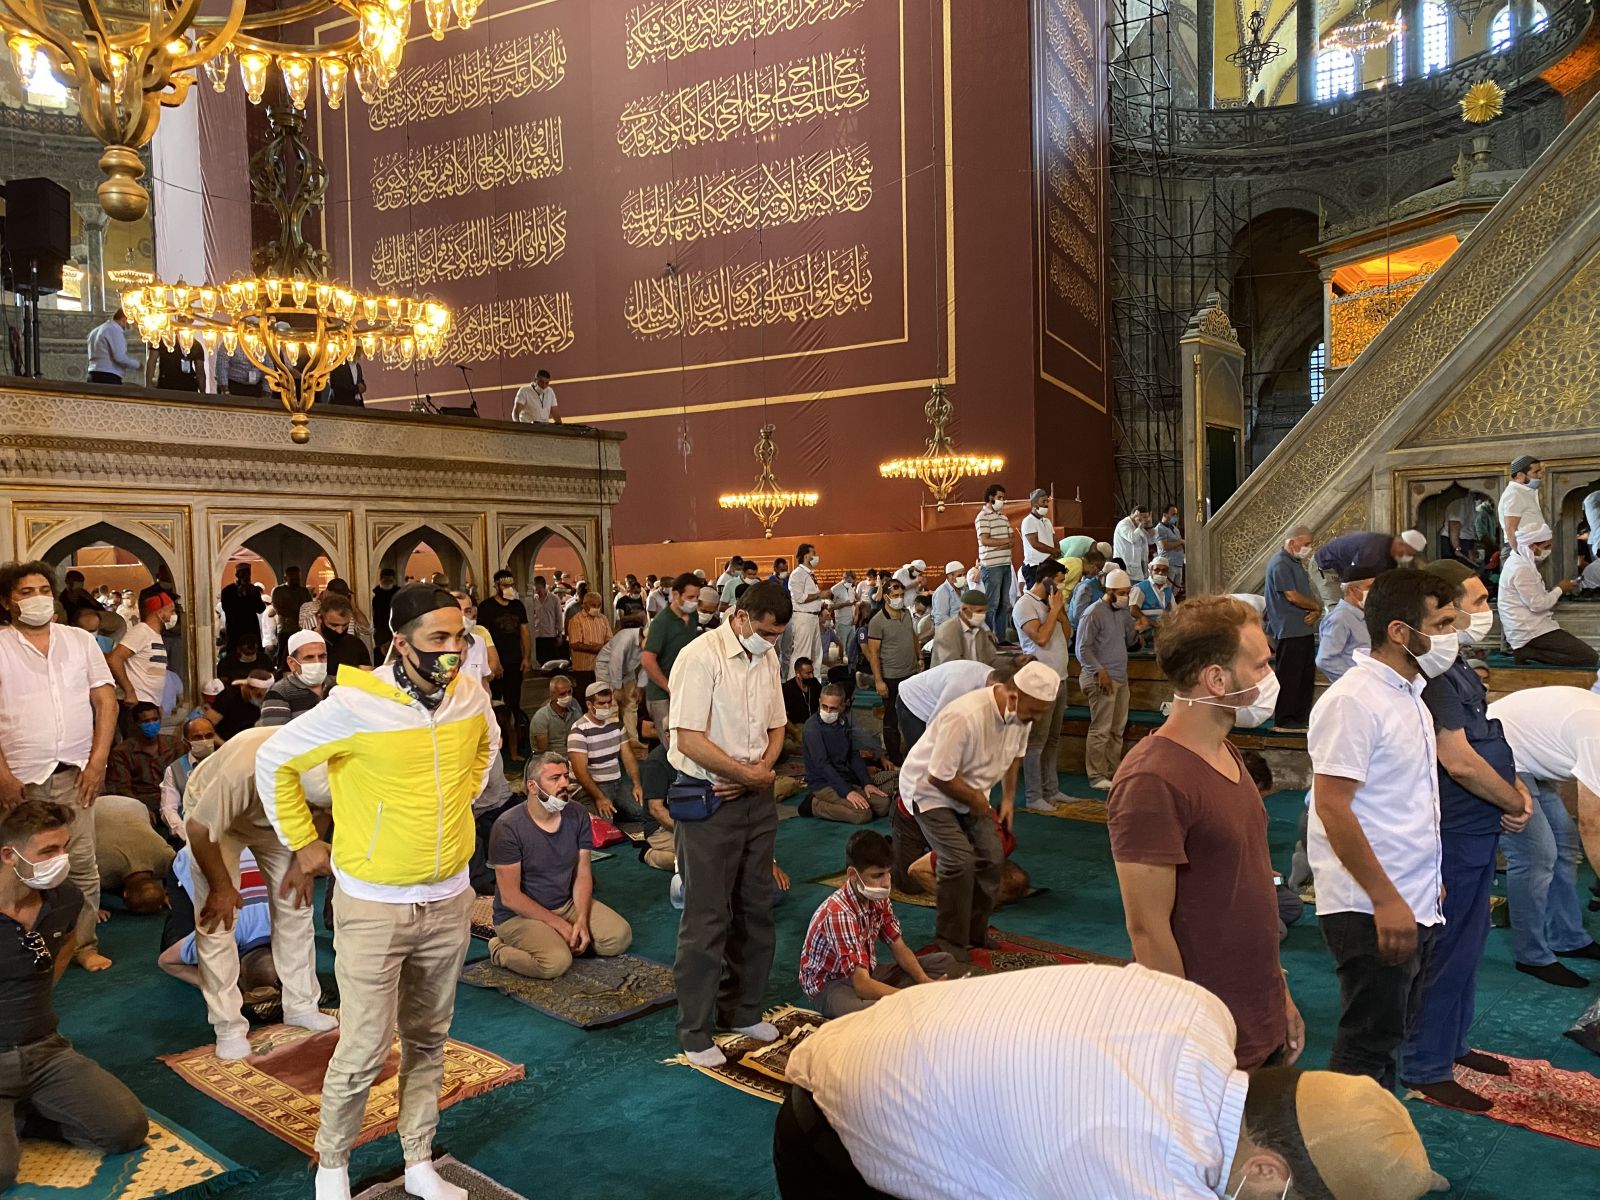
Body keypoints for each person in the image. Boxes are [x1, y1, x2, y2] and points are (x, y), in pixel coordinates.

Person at [777, 962, 1446, 1200]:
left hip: (893, 1048)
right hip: (835, 1127)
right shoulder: (1135, 1163)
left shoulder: (1200, 1010)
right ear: (1267, 1173)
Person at [255, 582, 498, 1200]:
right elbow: (274, 761)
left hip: (448, 898)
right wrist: (304, 841)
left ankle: (419, 1162)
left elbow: (486, 751)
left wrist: (455, 807)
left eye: (459, 638)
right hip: (372, 904)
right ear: (399, 642)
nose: (452, 651)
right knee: (364, 1047)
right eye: (437, 639)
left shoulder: (469, 695)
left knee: (428, 1037)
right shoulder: (356, 705)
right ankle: (331, 1170)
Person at [1109, 596, 1303, 1072]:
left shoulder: (1226, 752)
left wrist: (1279, 992)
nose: (1268, 678)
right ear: (1217, 679)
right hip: (1208, 1037)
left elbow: (1247, 891)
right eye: (1259, 666)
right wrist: (1191, 1039)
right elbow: (1148, 929)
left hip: (1257, 1011)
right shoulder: (1152, 779)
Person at [1308, 568, 1457, 1089]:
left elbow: (1405, 803)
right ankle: (1347, 1165)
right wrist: (1387, 899)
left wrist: (1424, 880)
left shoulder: (1407, 693)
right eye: (1440, 623)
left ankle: (1378, 1158)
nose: (1451, 633)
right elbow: (1333, 809)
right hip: (1369, 903)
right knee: (1365, 1047)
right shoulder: (1353, 701)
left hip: (1407, 892)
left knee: (1388, 1036)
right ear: (1400, 631)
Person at [1397, 561, 1533, 1111]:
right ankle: (1425, 1064)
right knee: (1445, 951)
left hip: (1480, 831)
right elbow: (1461, 762)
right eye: (1473, 604)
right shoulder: (1431, 677)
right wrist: (1513, 801)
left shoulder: (1458, 670)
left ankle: (1452, 1045)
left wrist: (1514, 793)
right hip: (1454, 832)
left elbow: (1492, 740)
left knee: (1469, 947)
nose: (1483, 614)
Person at [665, 580, 791, 1068]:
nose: (770, 642)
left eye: (778, 635)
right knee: (707, 915)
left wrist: (760, 774)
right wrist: (742, 774)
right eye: (764, 632)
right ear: (740, 615)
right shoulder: (701, 657)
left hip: (754, 796)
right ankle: (695, 1031)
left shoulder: (769, 657)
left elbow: (777, 726)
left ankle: (742, 1009)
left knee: (756, 907)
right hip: (709, 798)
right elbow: (688, 738)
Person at [0, 800, 149, 1190]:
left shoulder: (64, 898)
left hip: (46, 1051)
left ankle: (22, 1114)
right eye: (48, 851)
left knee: (126, 1130)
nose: (61, 859)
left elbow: (65, 945)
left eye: (64, 847)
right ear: (7, 854)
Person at [181, 726, 335, 1056]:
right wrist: (221, 888)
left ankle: (301, 1006)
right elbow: (199, 829)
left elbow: (321, 812)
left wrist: (301, 862)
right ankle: (228, 1027)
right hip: (214, 823)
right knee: (218, 920)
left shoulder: (333, 761)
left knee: (297, 902)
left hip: (280, 826)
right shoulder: (244, 768)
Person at [0, 561, 119, 971]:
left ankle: (83, 945)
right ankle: (18, 951)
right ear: (6, 602)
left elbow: (105, 701)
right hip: (17, 778)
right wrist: (3, 776)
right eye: (24, 592)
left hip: (76, 773)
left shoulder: (79, 642)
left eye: (41, 590)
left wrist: (98, 761)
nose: (36, 599)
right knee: (16, 864)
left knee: (80, 862)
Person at [901, 660, 1055, 960]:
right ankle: (950, 941)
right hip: (929, 790)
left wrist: (1009, 800)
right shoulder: (965, 714)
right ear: (1013, 696)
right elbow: (938, 776)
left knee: (993, 856)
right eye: (1034, 711)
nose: (1035, 719)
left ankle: (974, 930)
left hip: (971, 792)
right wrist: (975, 801)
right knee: (958, 860)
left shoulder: (1021, 715)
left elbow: (1014, 758)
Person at [1487, 685, 1600, 987]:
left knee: (1564, 843)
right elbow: (1593, 823)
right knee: (1536, 854)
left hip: (1528, 753)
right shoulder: (1596, 736)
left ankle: (1568, 938)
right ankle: (1532, 956)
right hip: (1494, 751)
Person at [488, 752, 632, 979]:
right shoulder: (508, 826)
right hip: (519, 915)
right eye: (555, 779)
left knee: (618, 938)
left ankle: (567, 939)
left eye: (565, 776)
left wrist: (582, 920)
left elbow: (583, 873)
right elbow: (510, 897)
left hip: (565, 904)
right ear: (532, 787)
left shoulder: (577, 813)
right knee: (555, 963)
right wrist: (561, 926)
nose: (564, 783)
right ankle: (500, 950)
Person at [798, 830, 952, 1018]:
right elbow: (862, 985)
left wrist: (924, 981)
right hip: (832, 984)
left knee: (944, 962)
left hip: (865, 971)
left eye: (888, 873)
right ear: (852, 874)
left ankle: (895, 998)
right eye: (878, 875)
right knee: (882, 1014)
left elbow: (899, 946)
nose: (886, 883)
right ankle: (889, 1004)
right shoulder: (839, 914)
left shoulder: (877, 896)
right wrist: (907, 997)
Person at [1012, 560, 1071, 811]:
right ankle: (1034, 795)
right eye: (1058, 580)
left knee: (1053, 738)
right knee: (1037, 741)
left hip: (1061, 677)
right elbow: (1042, 638)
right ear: (1046, 580)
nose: (1061, 586)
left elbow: (1067, 634)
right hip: (1038, 682)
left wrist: (1060, 609)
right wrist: (1054, 610)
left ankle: (1052, 789)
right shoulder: (1024, 606)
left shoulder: (1052, 604)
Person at [1498, 523, 1595, 667]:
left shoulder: (1521, 562)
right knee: (1589, 657)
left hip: (1534, 627)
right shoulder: (1521, 568)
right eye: (1546, 547)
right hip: (1529, 631)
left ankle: (1528, 651)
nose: (1548, 551)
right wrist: (1560, 589)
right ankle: (1527, 652)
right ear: (1532, 546)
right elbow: (1538, 605)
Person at [1075, 568, 1138, 790]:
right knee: (1101, 729)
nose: (1125, 596)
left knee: (1117, 728)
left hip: (1120, 677)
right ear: (1109, 591)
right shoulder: (1093, 613)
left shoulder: (1122, 613)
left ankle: (1113, 771)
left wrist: (1137, 629)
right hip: (1100, 678)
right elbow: (1082, 648)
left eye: (1127, 592)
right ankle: (1097, 774)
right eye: (1121, 592)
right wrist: (1099, 670)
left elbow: (1129, 641)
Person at [802, 684, 895, 825]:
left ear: (842, 707)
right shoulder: (812, 728)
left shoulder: (844, 722)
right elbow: (823, 765)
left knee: (883, 805)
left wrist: (866, 783)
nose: (827, 711)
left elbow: (853, 754)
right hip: (823, 783)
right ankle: (815, 805)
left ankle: (846, 795)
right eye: (824, 707)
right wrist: (847, 792)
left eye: (833, 708)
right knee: (863, 814)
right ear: (819, 702)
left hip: (844, 778)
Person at [894, 658, 1014, 757]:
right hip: (912, 702)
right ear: (992, 684)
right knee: (921, 758)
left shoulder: (996, 678)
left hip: (936, 700)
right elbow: (935, 724)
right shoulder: (961, 685)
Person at [1263, 526, 1320, 731]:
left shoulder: (1295, 563)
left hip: (1302, 628)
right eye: (1305, 544)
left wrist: (1316, 611)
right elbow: (1292, 596)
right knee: (1290, 677)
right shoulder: (1280, 563)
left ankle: (1300, 718)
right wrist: (1316, 607)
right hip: (1288, 629)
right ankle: (1285, 720)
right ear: (1292, 542)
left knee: (1305, 677)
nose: (1308, 548)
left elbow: (1304, 593)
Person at [568, 682, 647, 826]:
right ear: (590, 705)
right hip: (595, 785)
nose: (606, 707)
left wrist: (637, 784)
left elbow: (628, 758)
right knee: (604, 825)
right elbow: (580, 772)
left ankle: (617, 807)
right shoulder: (579, 731)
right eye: (601, 703)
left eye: (609, 702)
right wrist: (599, 797)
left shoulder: (616, 724)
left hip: (616, 781)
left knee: (642, 811)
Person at [864, 579, 921, 760]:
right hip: (891, 677)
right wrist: (879, 680)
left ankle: (915, 752)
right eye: (895, 596)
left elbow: (913, 636)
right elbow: (873, 653)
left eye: (902, 595)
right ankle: (895, 756)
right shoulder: (877, 621)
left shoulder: (906, 614)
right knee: (892, 718)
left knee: (914, 714)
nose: (899, 599)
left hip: (910, 674)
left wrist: (919, 657)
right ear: (886, 597)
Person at [478, 570, 532, 758]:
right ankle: (496, 746)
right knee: (496, 706)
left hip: (514, 663)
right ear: (497, 585)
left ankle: (515, 748)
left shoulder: (518, 606)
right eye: (504, 585)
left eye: (511, 585)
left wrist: (526, 658)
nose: (508, 588)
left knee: (514, 703)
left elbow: (524, 633)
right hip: (495, 665)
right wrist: (494, 663)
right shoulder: (486, 607)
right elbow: (484, 637)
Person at [92, 793, 173, 912]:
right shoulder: (100, 868)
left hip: (134, 805)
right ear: (124, 894)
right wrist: (91, 908)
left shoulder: (167, 856)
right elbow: (78, 878)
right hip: (96, 808)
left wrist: (162, 896)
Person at [104, 702, 183, 823]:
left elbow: (186, 776)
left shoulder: (175, 745)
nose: (151, 724)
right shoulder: (122, 752)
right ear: (136, 724)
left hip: (173, 799)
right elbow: (121, 788)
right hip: (141, 801)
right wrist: (140, 809)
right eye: (146, 721)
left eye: (155, 719)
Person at [1311, 531, 1426, 605]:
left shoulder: (1390, 559)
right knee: (1338, 607)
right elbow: (1351, 576)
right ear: (1401, 544)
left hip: (1346, 572)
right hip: (1326, 566)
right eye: (1409, 553)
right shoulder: (1374, 548)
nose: (1409, 557)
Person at [107, 593, 175, 712]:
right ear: (159, 612)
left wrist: (157, 703)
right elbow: (114, 658)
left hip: (149, 703)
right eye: (171, 611)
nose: (173, 616)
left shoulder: (154, 635)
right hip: (136, 703)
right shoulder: (141, 631)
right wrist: (129, 691)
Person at [157, 716, 220, 838]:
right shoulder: (175, 770)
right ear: (186, 742)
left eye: (208, 736)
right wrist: (187, 836)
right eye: (197, 737)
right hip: (190, 833)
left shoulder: (227, 762)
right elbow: (168, 809)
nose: (204, 740)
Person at [1316, 568, 1375, 683]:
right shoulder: (1340, 618)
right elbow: (1325, 660)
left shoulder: (1362, 614)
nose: (1374, 592)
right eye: (1369, 587)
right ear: (1352, 590)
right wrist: (1354, 679)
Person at [259, 630, 328, 728]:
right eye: (309, 657)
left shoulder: (337, 685)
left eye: (322, 656)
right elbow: (275, 737)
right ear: (292, 663)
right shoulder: (279, 693)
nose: (317, 662)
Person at [974, 484, 1014, 637]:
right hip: (991, 566)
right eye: (999, 498)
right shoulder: (982, 517)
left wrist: (1000, 542)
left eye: (1003, 498)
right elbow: (985, 540)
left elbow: (1013, 540)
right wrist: (1005, 542)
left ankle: (1001, 639)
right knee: (992, 605)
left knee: (1004, 604)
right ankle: (988, 638)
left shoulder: (1004, 517)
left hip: (1005, 564)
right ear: (991, 498)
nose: (1002, 501)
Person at [929, 589, 998, 668]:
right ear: (964, 610)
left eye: (984, 611)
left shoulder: (980, 631)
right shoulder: (947, 630)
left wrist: (1012, 661)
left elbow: (991, 659)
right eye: (979, 611)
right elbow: (952, 667)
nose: (983, 615)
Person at [565, 587, 611, 697]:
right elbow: (575, 644)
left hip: (601, 667)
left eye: (599, 606)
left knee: (600, 696)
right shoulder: (576, 620)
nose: (596, 608)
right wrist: (595, 648)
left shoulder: (603, 619)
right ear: (584, 605)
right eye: (593, 605)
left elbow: (609, 639)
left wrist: (606, 647)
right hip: (583, 668)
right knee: (585, 696)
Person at [788, 543, 825, 677]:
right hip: (803, 617)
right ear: (806, 556)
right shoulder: (797, 574)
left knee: (815, 653)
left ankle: (813, 683)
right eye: (813, 553)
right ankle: (794, 685)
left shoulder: (809, 574)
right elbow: (799, 597)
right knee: (802, 653)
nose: (816, 556)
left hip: (813, 617)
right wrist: (820, 595)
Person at [316, 592, 374, 675]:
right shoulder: (304, 644)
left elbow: (367, 676)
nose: (340, 631)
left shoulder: (356, 645)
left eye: (345, 625)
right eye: (334, 625)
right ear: (320, 619)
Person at [1499, 454, 1545, 549]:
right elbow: (1510, 529)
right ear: (1520, 476)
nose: (1540, 476)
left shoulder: (1523, 492)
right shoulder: (1514, 493)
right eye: (1535, 472)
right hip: (1520, 548)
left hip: (1529, 548)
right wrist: (1519, 553)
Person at [271, 567, 313, 668]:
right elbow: (279, 608)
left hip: (302, 629)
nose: (296, 581)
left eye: (297, 579)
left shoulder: (304, 591)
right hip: (286, 629)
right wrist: (296, 614)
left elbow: (310, 606)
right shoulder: (279, 591)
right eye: (293, 579)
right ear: (285, 578)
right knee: (283, 654)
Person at [85, 308, 140, 384]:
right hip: (107, 377)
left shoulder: (95, 331)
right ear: (124, 319)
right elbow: (119, 358)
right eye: (132, 323)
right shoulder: (114, 330)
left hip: (93, 375)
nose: (132, 327)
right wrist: (137, 365)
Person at [219, 563, 265, 654]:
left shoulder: (253, 590)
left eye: (248, 574)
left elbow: (260, 609)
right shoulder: (228, 591)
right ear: (237, 575)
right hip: (235, 630)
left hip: (251, 630)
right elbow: (227, 609)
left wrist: (253, 596)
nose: (246, 576)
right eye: (243, 574)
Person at [529, 674, 579, 756]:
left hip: (572, 758)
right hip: (549, 761)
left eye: (569, 692)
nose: (567, 696)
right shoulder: (541, 717)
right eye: (562, 694)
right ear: (552, 695)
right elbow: (543, 753)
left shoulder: (576, 713)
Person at [528, 575, 563, 664]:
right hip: (537, 636)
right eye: (535, 589)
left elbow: (559, 617)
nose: (537, 591)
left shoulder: (554, 599)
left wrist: (559, 634)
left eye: (538, 588)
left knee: (552, 662)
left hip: (550, 635)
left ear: (544, 586)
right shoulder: (533, 600)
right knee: (540, 662)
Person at [1112, 504, 1153, 581]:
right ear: (1134, 515)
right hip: (1125, 567)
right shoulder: (1123, 524)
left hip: (1139, 568)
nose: (1145, 520)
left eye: (1146, 517)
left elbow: (1151, 540)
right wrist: (1140, 525)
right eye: (1143, 517)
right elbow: (1132, 538)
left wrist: (1150, 524)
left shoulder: (1138, 527)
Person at [783, 656, 822, 735]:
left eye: (812, 672)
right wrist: (795, 732)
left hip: (815, 723)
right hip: (797, 727)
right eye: (808, 673)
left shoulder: (814, 683)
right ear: (798, 674)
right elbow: (783, 716)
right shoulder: (787, 688)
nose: (811, 676)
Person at [1153, 503, 1186, 590]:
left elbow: (1179, 545)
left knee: (1176, 590)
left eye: (1176, 514)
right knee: (1167, 590)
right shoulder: (1159, 529)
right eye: (1173, 514)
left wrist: (1179, 544)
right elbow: (1164, 546)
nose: (1175, 517)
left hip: (1178, 563)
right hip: (1168, 563)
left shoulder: (1175, 529)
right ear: (1165, 514)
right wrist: (1180, 542)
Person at [372, 567, 399, 648]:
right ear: (381, 579)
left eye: (390, 580)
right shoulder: (375, 593)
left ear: (394, 579)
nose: (388, 581)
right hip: (380, 627)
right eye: (386, 579)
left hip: (395, 627)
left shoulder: (398, 592)